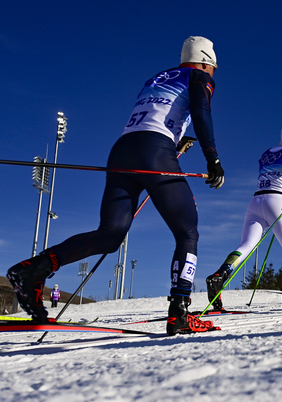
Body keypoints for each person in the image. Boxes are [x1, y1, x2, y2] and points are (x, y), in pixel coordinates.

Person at [7, 36, 224, 335]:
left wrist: (174, 144)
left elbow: (154, 118)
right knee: (187, 231)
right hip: (154, 151)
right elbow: (201, 111)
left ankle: (33, 269)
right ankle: (180, 313)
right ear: (206, 62)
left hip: (123, 150)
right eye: (214, 68)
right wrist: (212, 158)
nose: (213, 74)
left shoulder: (156, 78)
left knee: (110, 235)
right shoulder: (199, 75)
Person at [206, 122, 282, 312]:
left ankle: (221, 274)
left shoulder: (267, 152)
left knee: (246, 245)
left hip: (255, 202)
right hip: (276, 200)